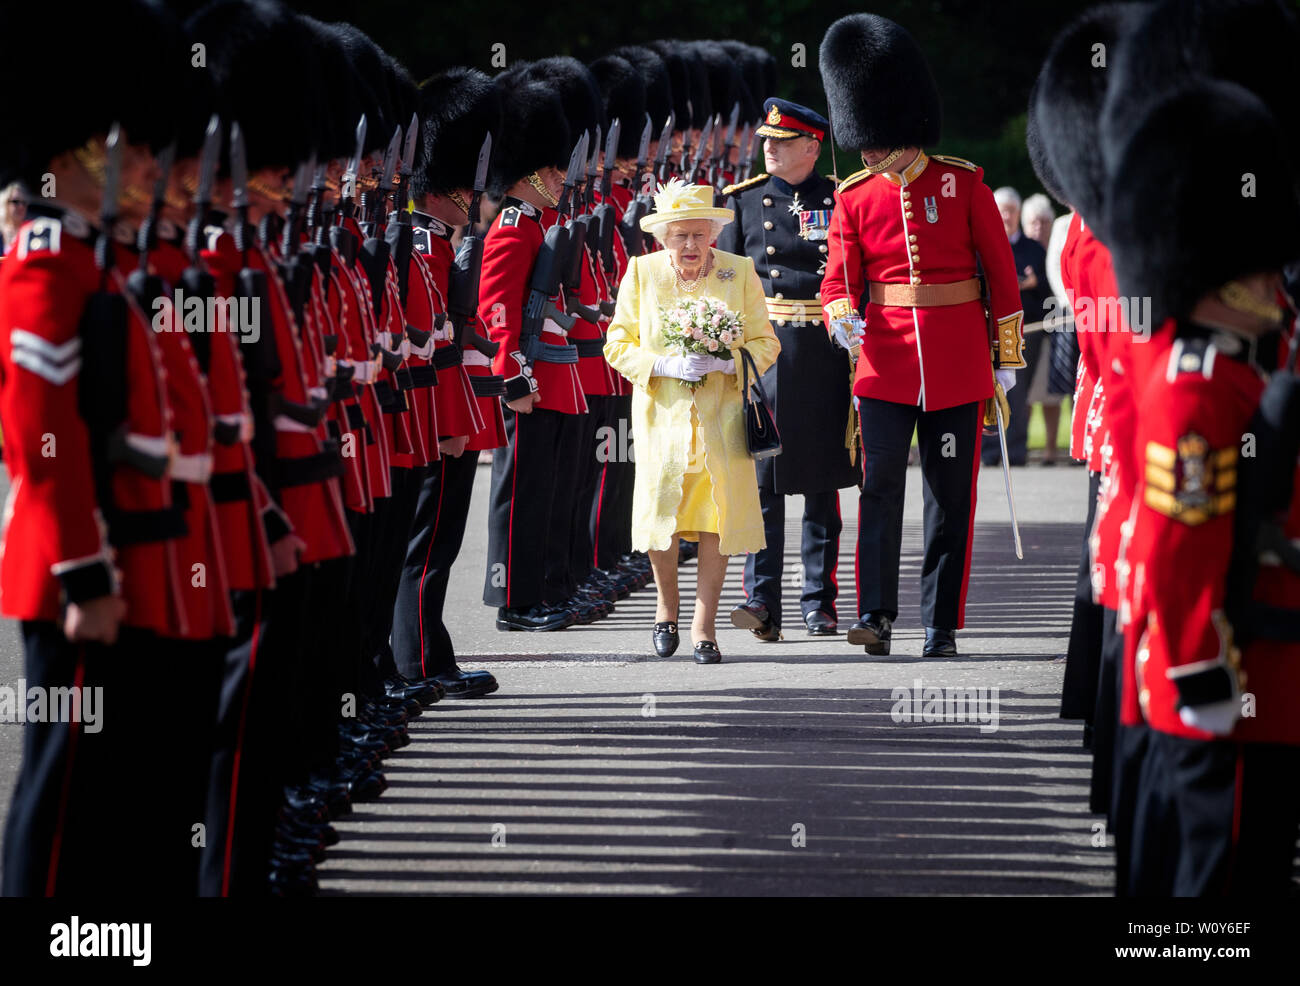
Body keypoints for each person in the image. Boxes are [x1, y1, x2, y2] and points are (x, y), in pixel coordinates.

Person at [818, 13, 1025, 658]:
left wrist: (1006, 355)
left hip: (958, 361)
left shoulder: (964, 184)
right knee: (878, 490)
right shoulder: (854, 197)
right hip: (884, 364)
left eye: (873, 138)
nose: (864, 150)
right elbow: (835, 284)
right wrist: (839, 316)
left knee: (948, 495)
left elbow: (1001, 276)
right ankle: (876, 616)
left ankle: (940, 624)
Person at [604, 180, 779, 664]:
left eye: (699, 235)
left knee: (715, 518)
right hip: (664, 417)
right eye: (680, 236)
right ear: (663, 237)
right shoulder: (641, 273)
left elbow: (767, 342)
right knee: (666, 515)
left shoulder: (738, 272)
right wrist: (662, 365)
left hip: (722, 418)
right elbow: (616, 344)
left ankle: (705, 627)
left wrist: (730, 362)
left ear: (714, 234)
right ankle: (666, 608)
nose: (690, 246)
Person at [717, 97, 857, 640]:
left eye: (781, 141)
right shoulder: (744, 202)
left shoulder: (842, 198)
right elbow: (726, 284)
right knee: (762, 482)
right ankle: (761, 598)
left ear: (811, 146)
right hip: (766, 355)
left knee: (824, 483)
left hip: (825, 351)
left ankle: (819, 601)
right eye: (766, 140)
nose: (768, 148)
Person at [981, 186, 1049, 467]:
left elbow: (1049, 287)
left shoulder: (1033, 249)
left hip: (1027, 330)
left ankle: (1017, 450)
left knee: (1017, 391)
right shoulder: (985, 242)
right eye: (1001, 211)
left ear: (1018, 214)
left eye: (1010, 211)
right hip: (990, 328)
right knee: (987, 389)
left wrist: (1033, 284)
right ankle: (989, 450)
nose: (1005, 217)